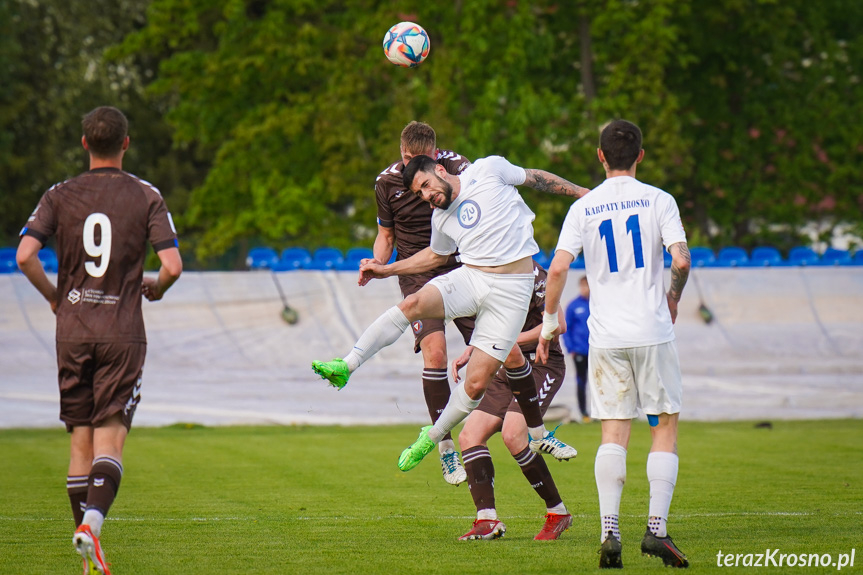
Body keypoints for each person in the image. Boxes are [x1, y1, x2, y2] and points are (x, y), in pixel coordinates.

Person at [313, 154, 588, 474]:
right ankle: (347, 365)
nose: (427, 195)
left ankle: (430, 437)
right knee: (412, 304)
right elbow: (433, 257)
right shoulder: (441, 218)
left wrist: (583, 193)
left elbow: (535, 177)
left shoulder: (488, 169)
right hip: (472, 278)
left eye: (426, 185)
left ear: (440, 170)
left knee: (474, 385)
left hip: (511, 292)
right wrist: (386, 270)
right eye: (419, 194)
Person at [16, 106, 182, 575]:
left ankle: (85, 549)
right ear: (126, 144)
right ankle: (91, 525)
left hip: (71, 330)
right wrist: (157, 287)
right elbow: (171, 266)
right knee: (111, 440)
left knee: (79, 444)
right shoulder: (146, 195)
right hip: (121, 332)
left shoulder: (59, 194)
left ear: (85, 143)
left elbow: (26, 255)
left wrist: (54, 297)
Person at [537, 120, 691, 569]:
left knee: (613, 433)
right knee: (663, 428)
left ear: (600, 157)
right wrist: (673, 297)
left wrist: (549, 322)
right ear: (640, 155)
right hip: (653, 331)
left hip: (606, 338)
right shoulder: (660, 200)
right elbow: (680, 258)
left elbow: (559, 268)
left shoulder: (585, 207)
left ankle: (610, 532)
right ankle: (657, 531)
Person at [369, 121, 473, 485]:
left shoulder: (458, 167)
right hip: (417, 272)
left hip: (460, 266)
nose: (415, 172)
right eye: (408, 161)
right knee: (436, 356)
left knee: (501, 350)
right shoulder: (386, 183)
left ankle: (529, 430)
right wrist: (378, 264)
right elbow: (386, 234)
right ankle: (445, 448)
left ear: (435, 156)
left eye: (423, 163)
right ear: (402, 155)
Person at [453, 260, 574, 541]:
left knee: (513, 435)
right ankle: (487, 521)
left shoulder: (535, 274)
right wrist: (475, 349)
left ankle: (558, 512)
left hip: (541, 365)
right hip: (505, 366)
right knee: (470, 435)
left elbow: (558, 325)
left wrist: (505, 341)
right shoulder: (488, 272)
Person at [562, 276, 591, 423]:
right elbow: (566, 328)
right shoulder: (573, 305)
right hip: (580, 350)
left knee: (600, 381)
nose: (586, 289)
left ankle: (602, 412)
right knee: (581, 381)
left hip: (596, 350)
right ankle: (584, 412)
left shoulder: (598, 304)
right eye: (584, 286)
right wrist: (570, 348)